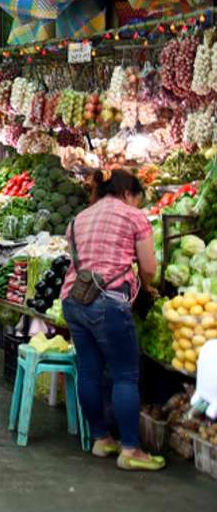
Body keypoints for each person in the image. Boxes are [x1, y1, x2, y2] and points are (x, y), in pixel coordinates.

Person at [60, 168, 164, 472]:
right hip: (109, 301)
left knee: (90, 371)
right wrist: (148, 285)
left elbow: (78, 260)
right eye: (137, 199)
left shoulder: (79, 218)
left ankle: (101, 439)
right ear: (129, 193)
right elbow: (148, 267)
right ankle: (131, 448)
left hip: (74, 300)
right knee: (125, 375)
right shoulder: (133, 216)